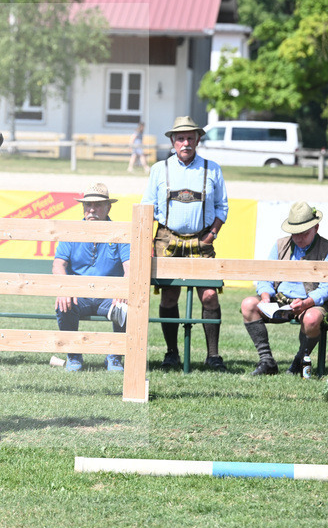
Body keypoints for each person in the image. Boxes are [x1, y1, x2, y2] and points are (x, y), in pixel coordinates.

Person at [143, 116, 229, 371]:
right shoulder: (159, 169)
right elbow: (148, 206)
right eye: (180, 138)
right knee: (169, 295)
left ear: (198, 139)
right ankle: (171, 354)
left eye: (191, 137)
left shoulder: (212, 169)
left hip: (202, 239)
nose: (186, 143)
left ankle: (213, 356)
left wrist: (212, 234)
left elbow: (222, 207)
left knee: (210, 295)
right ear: (172, 141)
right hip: (167, 238)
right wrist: (148, 240)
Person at [241, 201, 328, 376]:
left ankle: (299, 360)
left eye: (304, 234)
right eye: (295, 234)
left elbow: (326, 288)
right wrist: (265, 295)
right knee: (248, 304)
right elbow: (266, 276)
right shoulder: (280, 245)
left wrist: (306, 302)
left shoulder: (326, 248)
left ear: (316, 228)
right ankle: (267, 361)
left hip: (311, 302)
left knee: (311, 319)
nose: (299, 238)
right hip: (280, 300)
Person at [53, 183, 131, 372]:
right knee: (63, 302)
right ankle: (73, 355)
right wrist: (65, 288)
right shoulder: (72, 232)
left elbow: (130, 267)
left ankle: (115, 356)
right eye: (88, 205)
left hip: (110, 295)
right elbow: (58, 264)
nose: (92, 210)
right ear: (83, 208)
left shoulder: (121, 232)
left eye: (98, 205)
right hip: (80, 294)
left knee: (128, 306)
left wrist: (122, 290)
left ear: (108, 207)